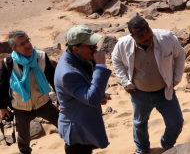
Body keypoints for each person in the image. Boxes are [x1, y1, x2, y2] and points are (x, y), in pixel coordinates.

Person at [111, 16, 185, 154]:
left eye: (148, 32)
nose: (147, 37)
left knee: (176, 123)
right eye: (141, 36)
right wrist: (125, 82)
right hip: (139, 93)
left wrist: (176, 79)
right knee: (139, 124)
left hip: (164, 91)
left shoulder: (166, 38)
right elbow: (116, 60)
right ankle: (142, 149)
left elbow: (180, 54)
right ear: (132, 36)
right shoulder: (123, 44)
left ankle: (166, 145)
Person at [54, 24, 111, 154]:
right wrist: (101, 66)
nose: (96, 48)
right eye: (91, 46)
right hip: (77, 131)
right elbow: (92, 100)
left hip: (84, 123)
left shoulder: (76, 57)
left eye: (95, 43)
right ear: (76, 48)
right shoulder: (68, 73)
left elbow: (84, 88)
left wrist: (100, 93)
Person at [0, 30, 59, 154]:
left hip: (44, 104)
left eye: (28, 41)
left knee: (65, 126)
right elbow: (2, 87)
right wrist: (2, 107)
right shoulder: (8, 63)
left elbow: (54, 80)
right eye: (22, 44)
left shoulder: (41, 56)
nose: (28, 45)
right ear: (14, 48)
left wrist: (60, 99)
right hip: (21, 108)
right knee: (23, 140)